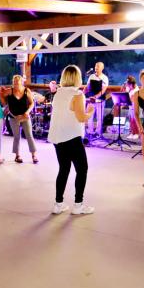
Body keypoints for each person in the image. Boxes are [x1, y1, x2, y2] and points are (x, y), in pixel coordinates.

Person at [48, 65, 95, 215]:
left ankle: (58, 204)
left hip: (57, 137)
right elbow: (81, 118)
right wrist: (90, 112)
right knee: (82, 170)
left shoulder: (58, 93)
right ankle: (78, 205)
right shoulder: (77, 94)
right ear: (77, 78)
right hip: (72, 137)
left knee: (64, 169)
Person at [7, 75, 38, 164]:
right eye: (14, 81)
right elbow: (4, 100)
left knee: (29, 135)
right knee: (17, 137)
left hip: (25, 117)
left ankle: (34, 155)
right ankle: (17, 155)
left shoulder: (26, 90)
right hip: (14, 117)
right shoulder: (9, 90)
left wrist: (27, 112)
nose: (16, 83)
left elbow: (32, 103)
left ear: (21, 82)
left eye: (17, 81)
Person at [84, 62, 109, 136]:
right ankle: (90, 132)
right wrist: (82, 93)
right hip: (91, 99)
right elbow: (87, 87)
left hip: (100, 100)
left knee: (99, 117)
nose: (96, 67)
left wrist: (95, 97)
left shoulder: (104, 78)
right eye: (95, 66)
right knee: (89, 116)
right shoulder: (91, 76)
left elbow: (103, 90)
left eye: (98, 66)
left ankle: (98, 133)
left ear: (102, 68)